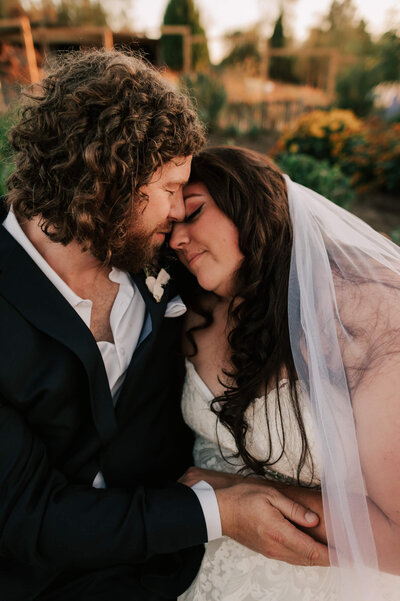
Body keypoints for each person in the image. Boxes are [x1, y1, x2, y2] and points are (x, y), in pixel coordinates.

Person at [0, 51, 329, 601]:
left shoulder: (162, 257)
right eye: (171, 187)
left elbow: (265, 278)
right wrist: (216, 510)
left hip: (177, 573)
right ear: (112, 177)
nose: (179, 213)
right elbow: (27, 516)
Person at [170, 146, 400, 601]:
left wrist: (234, 493)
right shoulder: (193, 310)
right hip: (193, 576)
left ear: (249, 202)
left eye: (194, 213)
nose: (176, 239)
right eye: (170, 226)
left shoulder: (360, 317)